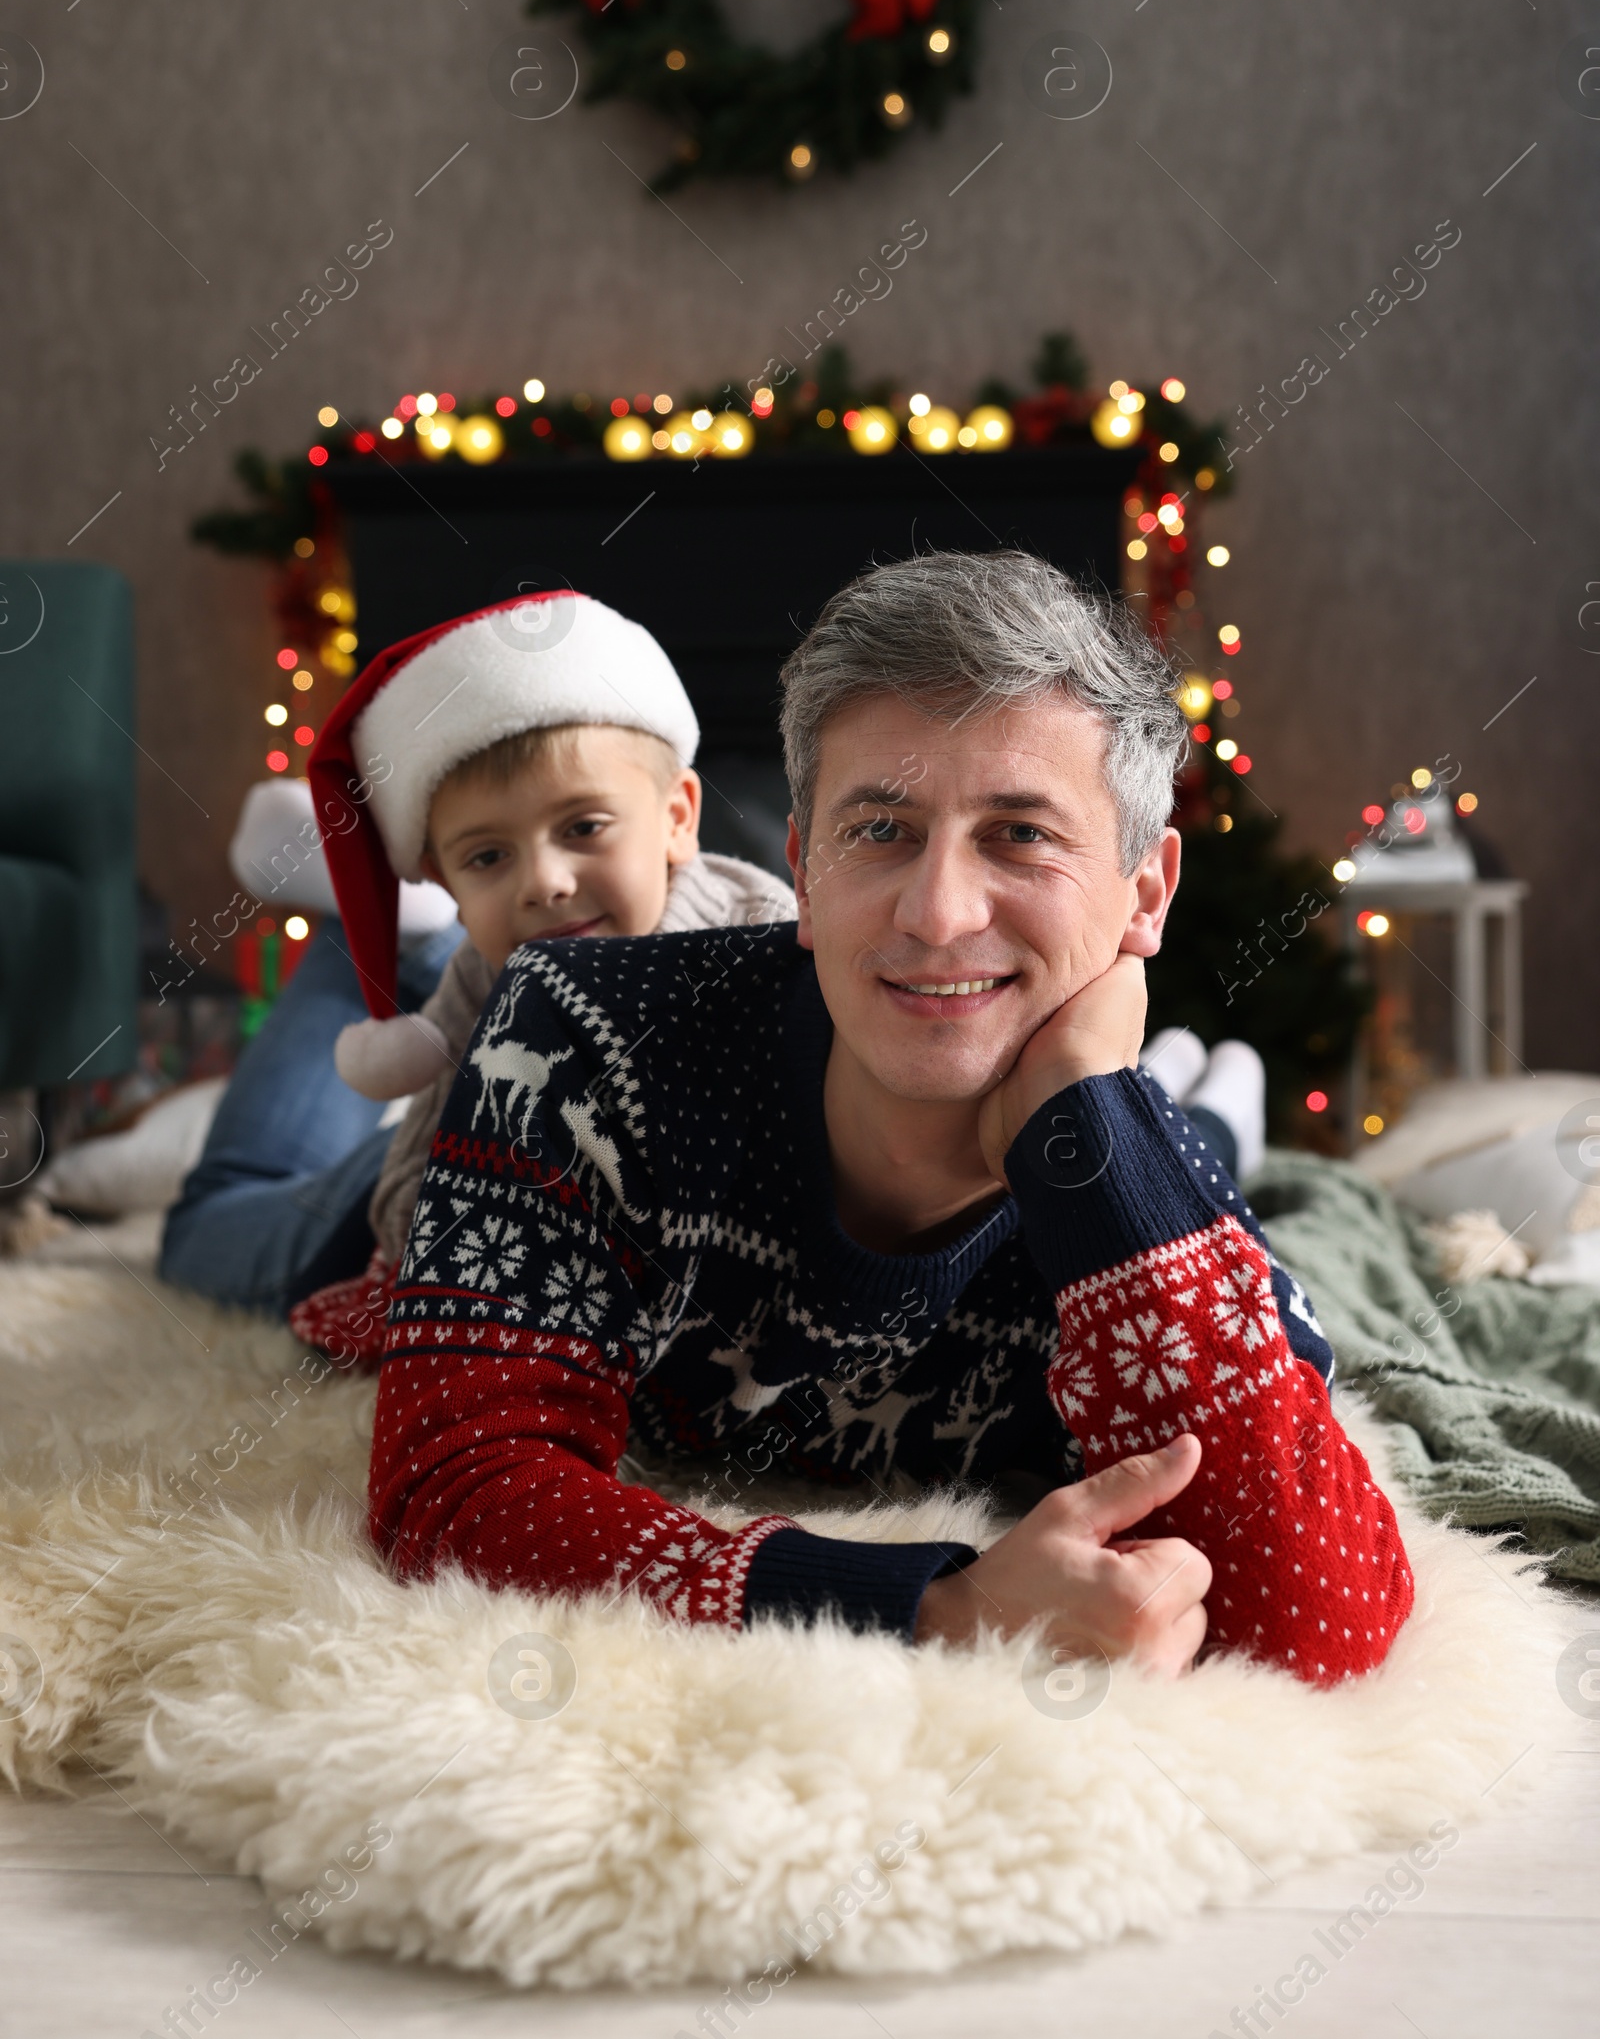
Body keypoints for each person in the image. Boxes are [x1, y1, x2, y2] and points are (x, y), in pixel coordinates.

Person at [366, 551, 1414, 1687]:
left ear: (1146, 892)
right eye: (879, 829)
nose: (937, 912)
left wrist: (1080, 1118)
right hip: (422, 1197)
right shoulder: (576, 1026)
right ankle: (350, 979)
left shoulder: (1152, 1192)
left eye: (1019, 832)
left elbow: (1323, 1618)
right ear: (803, 871)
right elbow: (449, 1480)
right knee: (258, 1205)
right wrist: (927, 1606)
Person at [159, 591, 792, 1327]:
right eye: (489, 855)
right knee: (203, 1229)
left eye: (584, 825)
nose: (545, 880)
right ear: (447, 874)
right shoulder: (492, 985)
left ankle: (409, 928)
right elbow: (408, 1189)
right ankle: (384, 928)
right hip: (449, 1164)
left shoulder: (762, 937)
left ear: (679, 817)